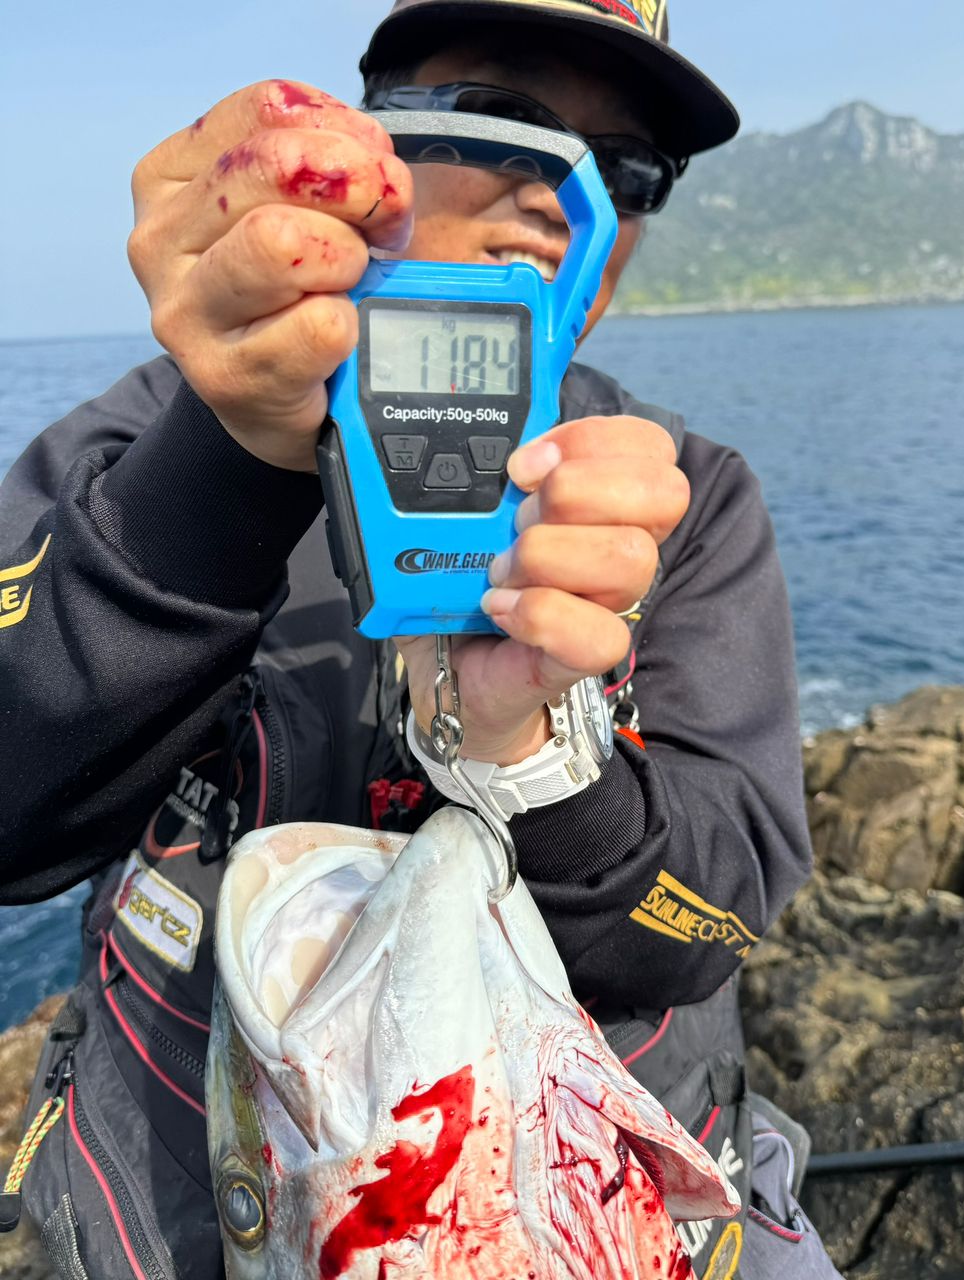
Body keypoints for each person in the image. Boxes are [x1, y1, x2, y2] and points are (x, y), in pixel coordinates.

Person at [0, 1, 840, 1276]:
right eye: (505, 122)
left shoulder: (690, 496)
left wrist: (541, 759)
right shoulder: (139, 453)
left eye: (625, 169)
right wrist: (218, 476)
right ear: (368, 134)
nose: (563, 192)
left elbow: (711, 921)